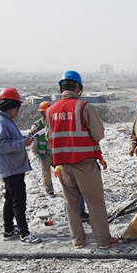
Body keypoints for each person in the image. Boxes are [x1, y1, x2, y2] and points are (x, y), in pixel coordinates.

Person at [46, 70, 117, 249]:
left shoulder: (50, 111)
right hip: (85, 163)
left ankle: (78, 240)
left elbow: (48, 137)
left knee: (71, 204)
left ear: (61, 88)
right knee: (95, 202)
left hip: (63, 165)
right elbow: (98, 134)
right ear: (78, 88)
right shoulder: (83, 107)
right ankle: (103, 240)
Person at [0, 88, 40, 244]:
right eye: (17, 108)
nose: (18, 111)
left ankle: (9, 229)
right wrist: (23, 143)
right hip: (11, 168)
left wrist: (27, 137)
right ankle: (24, 233)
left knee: (10, 200)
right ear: (10, 106)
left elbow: (12, 139)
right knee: (18, 201)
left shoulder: (5, 121)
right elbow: (1, 146)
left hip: (13, 167)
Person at [29, 101, 55, 195]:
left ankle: (67, 188)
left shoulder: (56, 122)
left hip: (55, 152)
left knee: (62, 171)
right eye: (43, 112)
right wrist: (34, 153)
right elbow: (34, 139)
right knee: (46, 172)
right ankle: (49, 190)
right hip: (44, 153)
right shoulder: (37, 125)